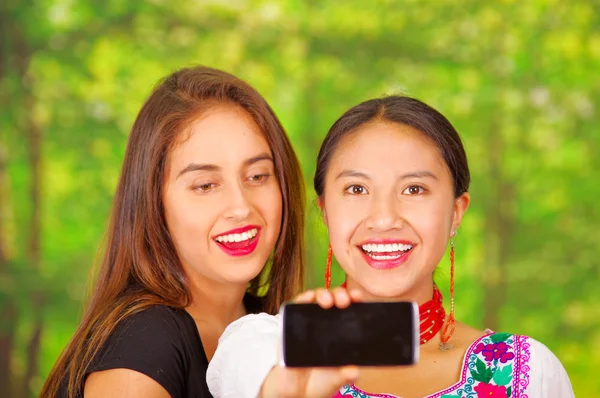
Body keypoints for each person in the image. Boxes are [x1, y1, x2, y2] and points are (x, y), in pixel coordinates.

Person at [206, 96, 575, 398]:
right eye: (356, 189)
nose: (384, 219)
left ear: (456, 212)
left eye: (414, 189)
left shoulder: (528, 372)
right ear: (325, 211)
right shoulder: (262, 349)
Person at [40, 65, 306, 398]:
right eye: (205, 185)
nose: (241, 206)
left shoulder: (266, 330)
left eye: (257, 176)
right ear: (154, 203)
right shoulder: (144, 340)